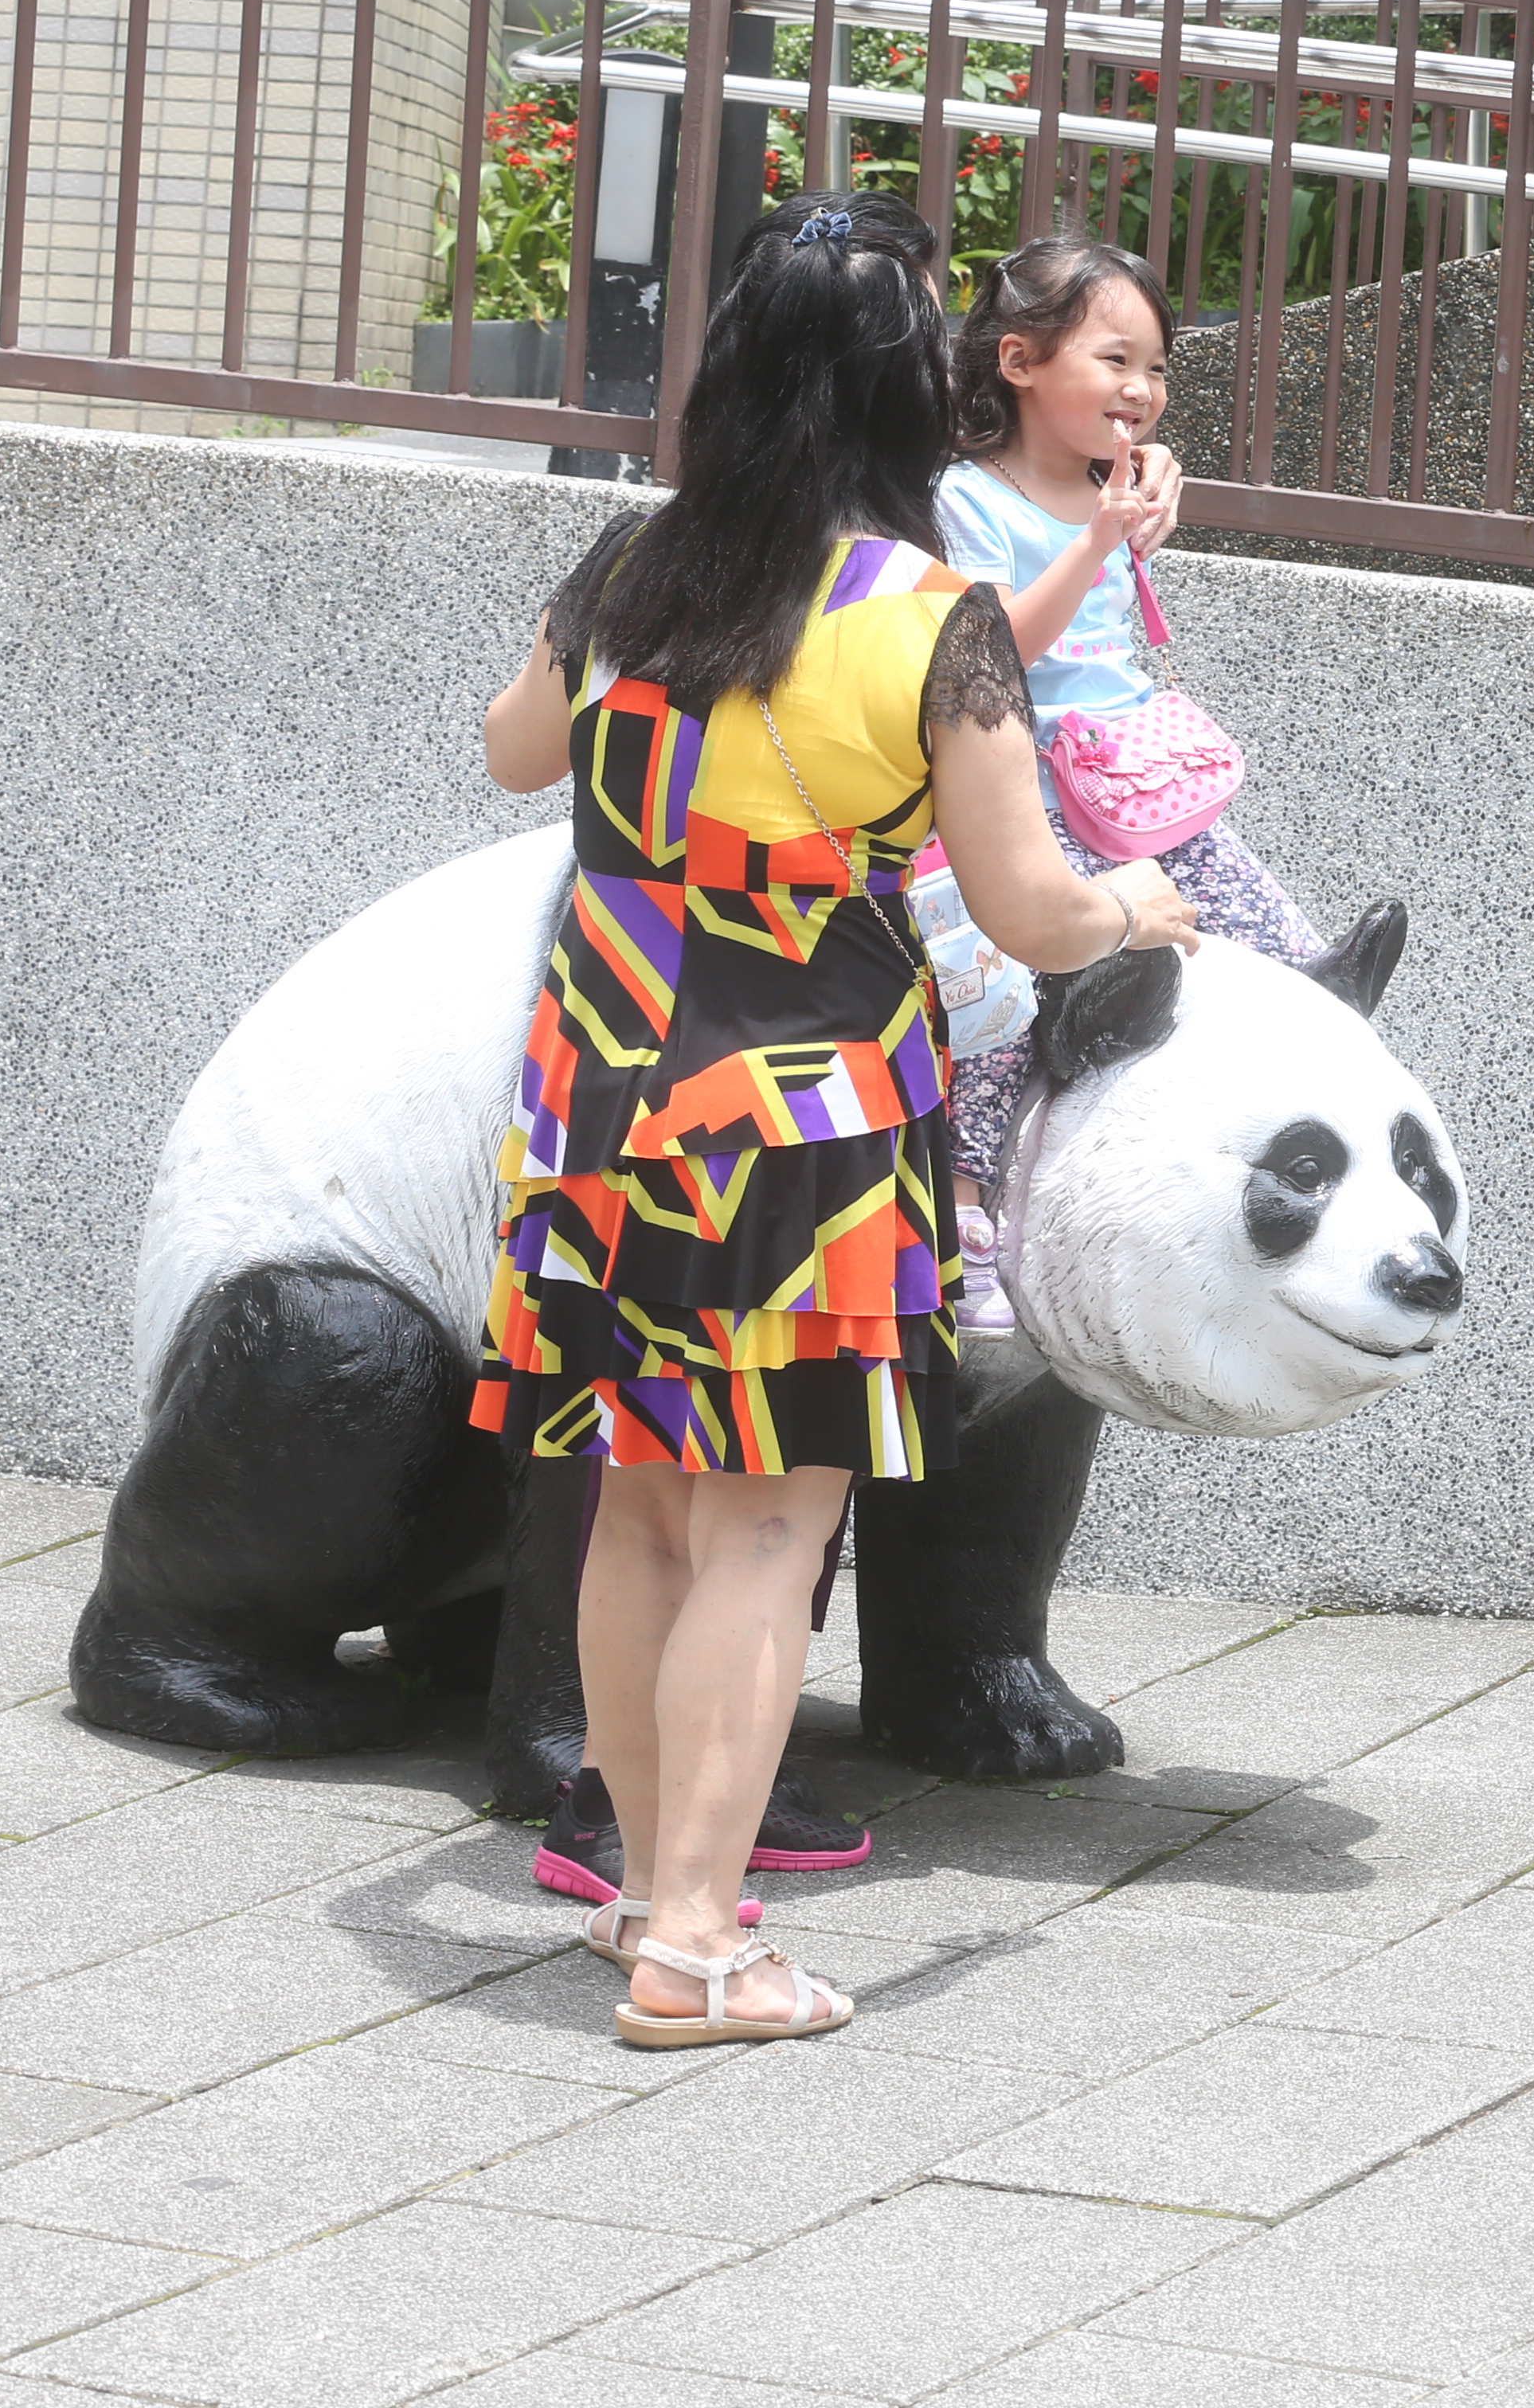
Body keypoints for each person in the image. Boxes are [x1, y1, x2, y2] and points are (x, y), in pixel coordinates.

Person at [475, 191, 1198, 2048]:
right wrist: (1145, 908)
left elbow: (513, 752)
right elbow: (1030, 907)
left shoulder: (634, 563)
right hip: (805, 1111)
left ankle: (644, 1894)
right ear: (904, 394)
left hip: (601, 1086)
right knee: (765, 1534)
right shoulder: (932, 617)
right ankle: (701, 1943)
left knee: (637, 1516)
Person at [929, 236, 1325, 1335]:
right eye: (1115, 361)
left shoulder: (1116, 484)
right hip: (1024, 789)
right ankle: (963, 1212)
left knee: (1268, 935)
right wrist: (1103, 535)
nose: (1142, 392)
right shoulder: (968, 497)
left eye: (1156, 369)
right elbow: (993, 646)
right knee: (995, 994)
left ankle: (1300, 1045)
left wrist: (1131, 522)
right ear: (1018, 360)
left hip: (1128, 771)